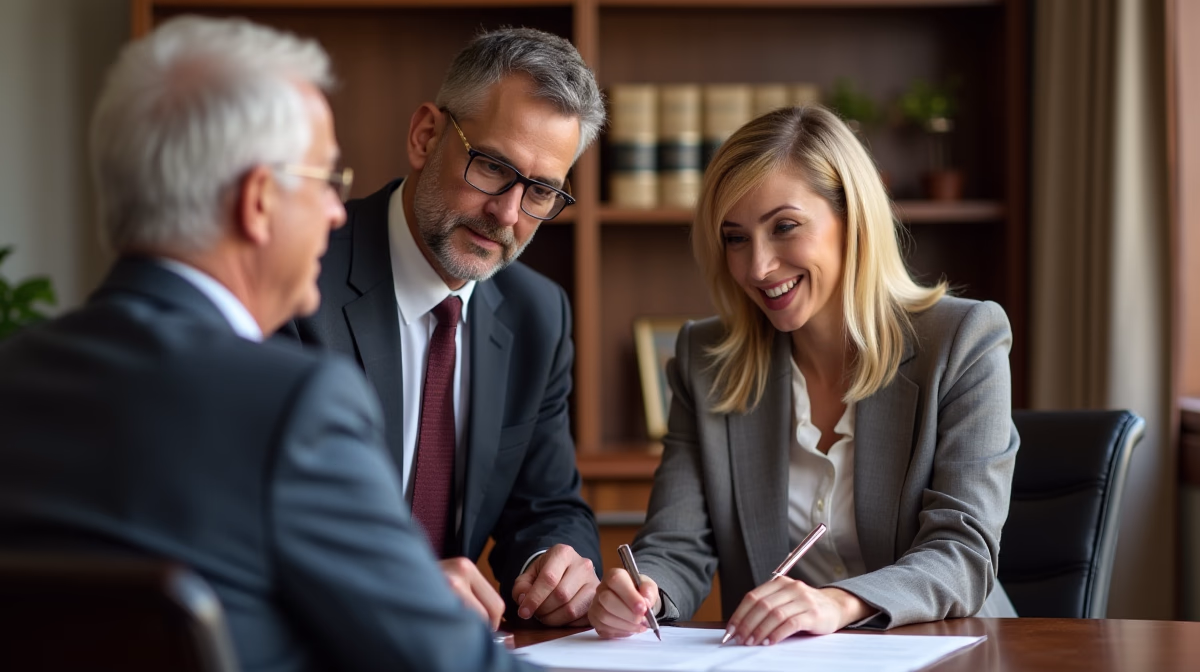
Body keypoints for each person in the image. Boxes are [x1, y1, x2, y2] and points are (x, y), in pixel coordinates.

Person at [0, 16, 537, 672]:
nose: (338, 213)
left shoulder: (14, 374)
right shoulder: (294, 406)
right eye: (322, 183)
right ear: (257, 203)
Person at [588, 105, 1020, 644]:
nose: (757, 267)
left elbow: (963, 552)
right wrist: (643, 590)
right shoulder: (705, 359)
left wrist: (837, 604)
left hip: (946, 653)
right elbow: (677, 545)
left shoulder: (963, 339)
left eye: (784, 227)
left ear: (852, 218)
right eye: (735, 237)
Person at [278, 27, 605, 629]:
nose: (507, 213)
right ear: (426, 135)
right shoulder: (298, 278)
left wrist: (556, 563)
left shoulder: (539, 315)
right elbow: (256, 508)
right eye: (492, 167)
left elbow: (547, 504)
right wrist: (396, 584)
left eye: (541, 191)